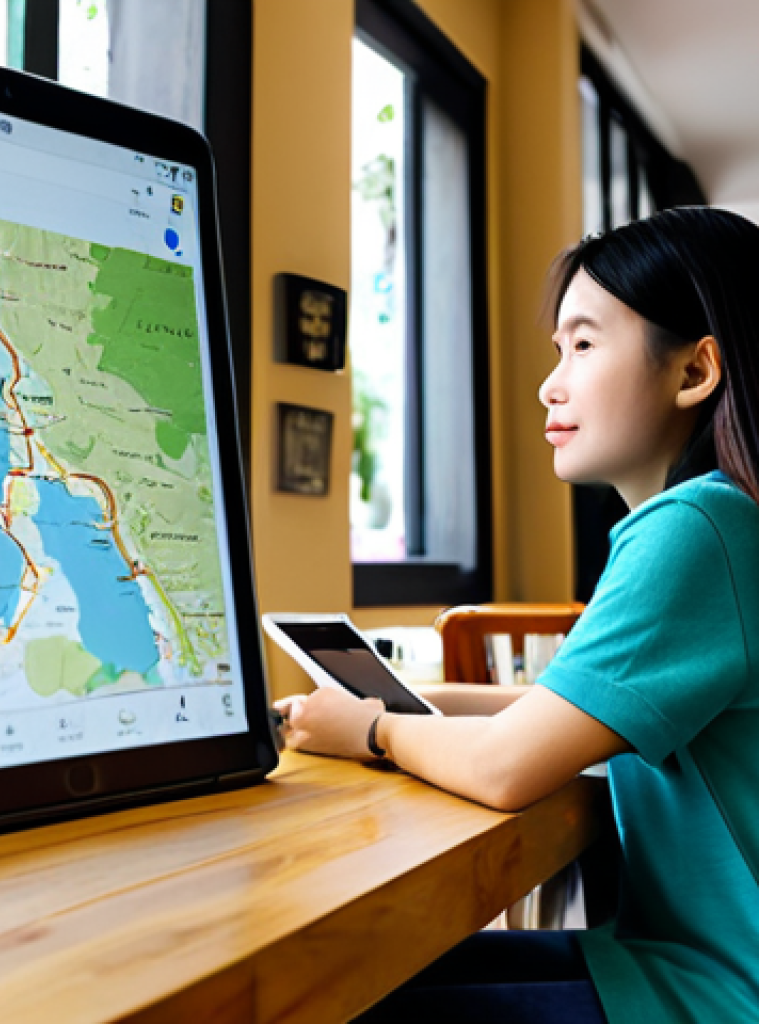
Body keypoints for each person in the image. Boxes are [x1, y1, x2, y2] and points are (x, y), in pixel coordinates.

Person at [275, 207, 759, 1024]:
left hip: (715, 995)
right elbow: (567, 715)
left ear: (693, 371)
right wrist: (406, 702)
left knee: (325, 990)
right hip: (673, 962)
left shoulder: (698, 530)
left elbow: (508, 767)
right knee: (345, 974)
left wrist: (372, 730)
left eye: (583, 343)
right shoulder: (723, 521)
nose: (550, 383)